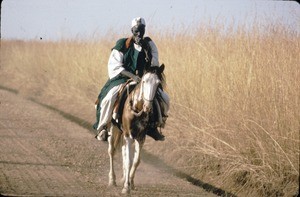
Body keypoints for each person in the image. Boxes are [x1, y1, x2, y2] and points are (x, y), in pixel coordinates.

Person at [93, 17, 169, 141]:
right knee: (109, 98)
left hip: (145, 80)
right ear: (132, 30)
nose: (139, 33)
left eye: (141, 30)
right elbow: (115, 66)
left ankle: (156, 125)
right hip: (123, 78)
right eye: (136, 30)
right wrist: (133, 76)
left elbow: (154, 65)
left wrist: (146, 77)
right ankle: (103, 127)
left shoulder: (149, 45)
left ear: (144, 30)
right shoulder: (123, 44)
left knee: (164, 98)